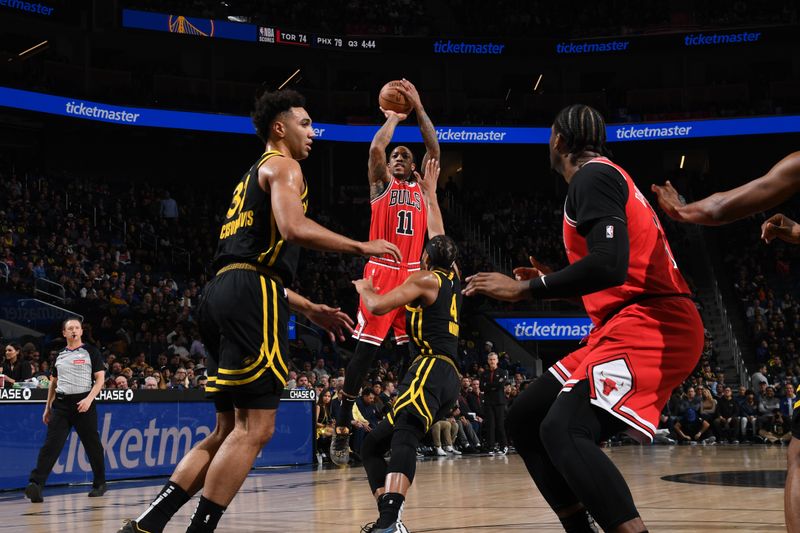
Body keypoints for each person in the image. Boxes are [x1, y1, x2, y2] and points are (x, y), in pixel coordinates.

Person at [118, 89, 400, 533]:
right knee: (257, 429)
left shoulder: (249, 176)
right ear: (279, 127)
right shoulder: (286, 166)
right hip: (253, 293)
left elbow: (245, 263)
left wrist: (308, 308)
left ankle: (147, 524)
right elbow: (292, 228)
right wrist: (360, 245)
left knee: (226, 429)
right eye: (305, 124)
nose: (313, 133)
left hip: (220, 292)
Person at [464, 104, 703, 533]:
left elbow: (609, 265)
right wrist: (551, 274)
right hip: (623, 320)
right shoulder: (605, 177)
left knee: (564, 428)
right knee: (526, 418)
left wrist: (526, 288)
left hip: (654, 320)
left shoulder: (592, 176)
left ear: (558, 140)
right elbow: (616, 268)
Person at [332, 79, 443, 466]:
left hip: (413, 275)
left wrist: (420, 107)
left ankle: (407, 427)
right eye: (395, 156)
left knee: (413, 356)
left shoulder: (423, 189)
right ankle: (343, 419)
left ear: (413, 165)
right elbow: (377, 147)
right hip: (381, 271)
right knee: (364, 353)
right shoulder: (381, 186)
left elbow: (434, 148)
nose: (397, 157)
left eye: (403, 156)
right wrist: (395, 118)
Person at [355, 233, 461, 533]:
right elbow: (440, 235)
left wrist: (364, 288)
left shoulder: (425, 279)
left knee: (405, 436)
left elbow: (376, 306)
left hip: (429, 366)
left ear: (426, 258)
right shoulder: (454, 279)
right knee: (372, 446)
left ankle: (388, 523)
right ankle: (390, 518)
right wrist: (430, 196)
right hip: (445, 374)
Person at [25, 317, 107, 502]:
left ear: (81, 331)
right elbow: (54, 382)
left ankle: (100, 483)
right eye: (70, 328)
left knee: (92, 445)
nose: (74, 331)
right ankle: (36, 484)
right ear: (64, 333)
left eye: (77, 328)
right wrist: (47, 408)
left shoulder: (91, 352)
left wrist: (88, 399)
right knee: (51, 445)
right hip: (61, 405)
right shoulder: (60, 354)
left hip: (83, 403)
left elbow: (100, 379)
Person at [480, 351, 509, 455]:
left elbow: (500, 385)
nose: (492, 361)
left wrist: (489, 385)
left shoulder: (502, 372)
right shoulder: (484, 373)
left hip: (499, 402)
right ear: (488, 361)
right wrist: (493, 385)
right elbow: (481, 387)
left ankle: (504, 446)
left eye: (494, 359)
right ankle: (491, 447)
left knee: (500, 425)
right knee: (490, 425)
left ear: (497, 360)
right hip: (488, 402)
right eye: (490, 359)